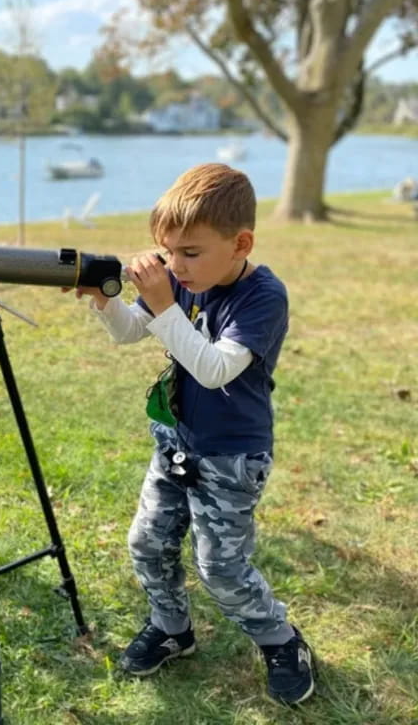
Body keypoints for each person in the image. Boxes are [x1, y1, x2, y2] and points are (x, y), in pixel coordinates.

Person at [70, 163, 314, 705]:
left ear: (240, 242)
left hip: (232, 456)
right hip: (176, 443)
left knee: (221, 568)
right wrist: (106, 302)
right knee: (148, 543)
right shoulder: (182, 281)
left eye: (190, 252)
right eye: (167, 251)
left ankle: (281, 640)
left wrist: (162, 302)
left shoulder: (262, 297)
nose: (176, 266)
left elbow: (213, 369)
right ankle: (172, 628)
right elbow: (132, 332)